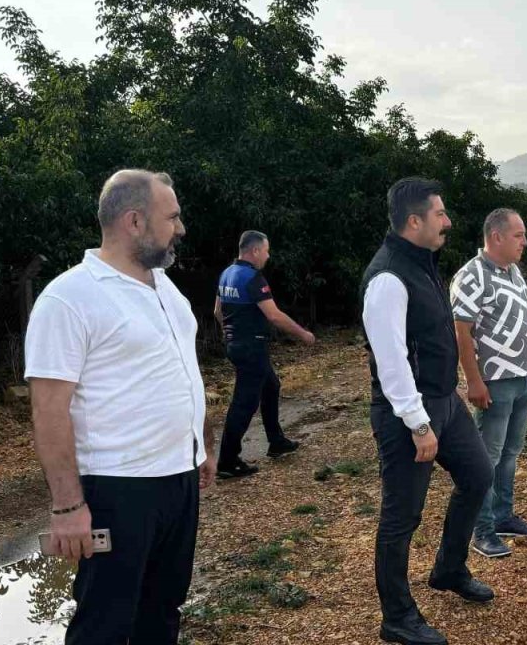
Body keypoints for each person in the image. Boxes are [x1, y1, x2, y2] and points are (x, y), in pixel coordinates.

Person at [25, 169, 215, 644]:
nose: (181, 228)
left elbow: (180, 370)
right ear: (135, 221)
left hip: (178, 479)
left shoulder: (165, 286)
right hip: (118, 488)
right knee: (105, 622)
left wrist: (201, 444)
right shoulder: (70, 298)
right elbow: (49, 409)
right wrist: (68, 506)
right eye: (171, 217)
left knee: (163, 609)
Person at [361, 178, 494, 645]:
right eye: (440, 214)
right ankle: (397, 618)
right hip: (407, 413)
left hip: (445, 402)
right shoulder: (388, 278)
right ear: (414, 221)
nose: (448, 222)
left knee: (479, 476)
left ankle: (449, 569)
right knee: (401, 517)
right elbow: (392, 360)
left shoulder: (423, 265)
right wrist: (418, 423)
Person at [449, 208, 527, 558]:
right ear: (497, 236)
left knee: (510, 453)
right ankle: (482, 530)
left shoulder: (513, 272)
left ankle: (503, 516)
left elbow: (526, 320)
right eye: (519, 235)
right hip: (495, 382)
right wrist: (473, 381)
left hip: (522, 379)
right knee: (486, 458)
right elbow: (462, 330)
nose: (525, 241)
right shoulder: (472, 276)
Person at [213, 231, 315, 479]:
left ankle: (276, 441)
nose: (268, 256)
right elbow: (274, 315)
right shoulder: (252, 278)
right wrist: (303, 334)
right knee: (244, 403)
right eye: (266, 251)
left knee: (271, 385)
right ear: (255, 251)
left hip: (235, 344)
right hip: (252, 347)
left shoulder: (227, 274)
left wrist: (230, 335)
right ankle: (227, 461)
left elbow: (217, 311)